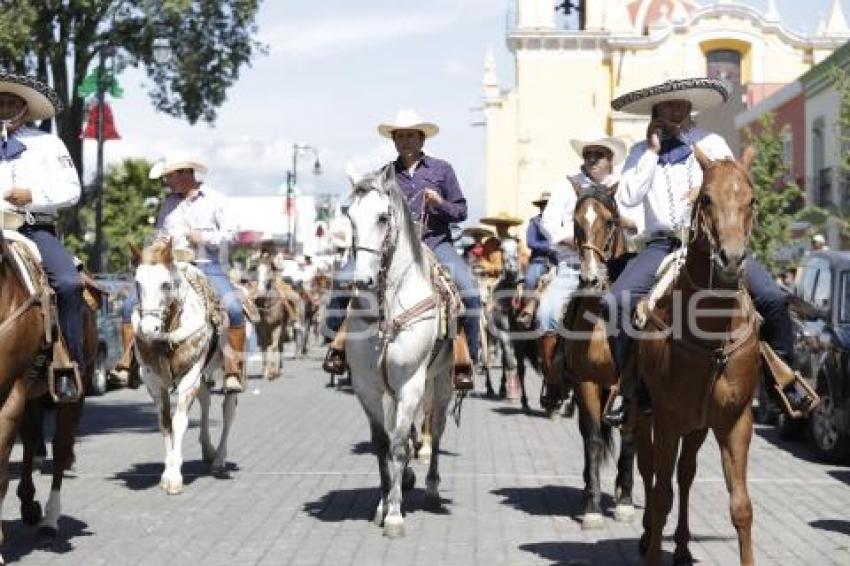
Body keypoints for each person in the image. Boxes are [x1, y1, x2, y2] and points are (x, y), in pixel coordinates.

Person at [601, 77, 817, 426]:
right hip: (662, 243)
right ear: (655, 112)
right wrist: (653, 153)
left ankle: (781, 383)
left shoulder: (712, 142)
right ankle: (631, 389)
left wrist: (706, 192)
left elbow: (734, 185)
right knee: (616, 302)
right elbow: (627, 198)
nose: (678, 111)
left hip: (713, 242)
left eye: (683, 105)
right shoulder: (641, 154)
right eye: (669, 106)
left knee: (773, 299)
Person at [322, 109, 480, 390]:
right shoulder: (385, 175)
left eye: (410, 135)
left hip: (435, 243)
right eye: (400, 136)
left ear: (422, 139)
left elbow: (462, 211)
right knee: (344, 279)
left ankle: (466, 360)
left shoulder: (441, 170)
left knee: (468, 290)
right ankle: (337, 346)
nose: (405, 141)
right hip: (393, 250)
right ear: (394, 141)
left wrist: (440, 204)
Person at [110, 155, 247, 393]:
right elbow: (161, 234)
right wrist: (158, 244)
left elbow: (232, 234)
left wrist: (203, 238)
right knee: (130, 304)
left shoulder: (216, 200)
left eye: (169, 176)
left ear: (185, 173)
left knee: (233, 309)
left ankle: (232, 369)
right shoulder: (168, 204)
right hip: (171, 267)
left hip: (207, 264)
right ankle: (128, 363)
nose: (165, 182)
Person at [0, 73, 84, 401]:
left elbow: (72, 191)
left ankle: (69, 365)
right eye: (0, 103)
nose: (5, 107)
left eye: (11, 103)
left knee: (68, 283)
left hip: (34, 229)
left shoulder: (48, 144)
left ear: (25, 108)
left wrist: (31, 195)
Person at [537, 131, 627, 412]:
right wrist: (577, 241)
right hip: (572, 266)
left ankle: (634, 379)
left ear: (610, 159)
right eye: (587, 155)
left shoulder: (623, 186)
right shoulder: (567, 186)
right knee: (547, 313)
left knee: (640, 314)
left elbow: (633, 223)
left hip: (615, 267)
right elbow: (548, 223)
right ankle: (554, 379)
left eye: (598, 155)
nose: (591, 160)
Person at [524, 191, 557, 292]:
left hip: (559, 261)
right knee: (530, 281)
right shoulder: (534, 222)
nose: (546, 207)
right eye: (543, 205)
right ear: (540, 207)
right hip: (539, 261)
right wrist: (549, 245)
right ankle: (526, 305)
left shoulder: (560, 222)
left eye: (549, 205)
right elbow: (531, 242)